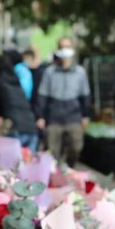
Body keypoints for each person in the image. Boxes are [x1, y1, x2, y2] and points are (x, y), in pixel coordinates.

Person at [34, 37, 92, 166]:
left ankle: (69, 168)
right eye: (62, 47)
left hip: (73, 116)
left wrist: (86, 115)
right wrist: (40, 116)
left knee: (76, 147)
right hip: (54, 116)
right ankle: (57, 175)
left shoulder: (80, 72)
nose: (64, 51)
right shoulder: (50, 72)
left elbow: (85, 96)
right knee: (52, 151)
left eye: (67, 47)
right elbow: (42, 95)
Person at [0, 55, 39, 149]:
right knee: (28, 162)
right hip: (31, 129)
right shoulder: (16, 82)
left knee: (10, 162)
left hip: (13, 129)